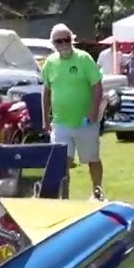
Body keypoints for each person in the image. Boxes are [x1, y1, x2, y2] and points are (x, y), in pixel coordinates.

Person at [41, 23, 105, 200]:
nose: (63, 44)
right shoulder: (50, 63)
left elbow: (97, 86)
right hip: (61, 123)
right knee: (62, 163)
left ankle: (97, 192)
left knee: (92, 159)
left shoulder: (84, 59)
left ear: (72, 40)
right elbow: (46, 91)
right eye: (58, 41)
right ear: (53, 43)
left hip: (86, 121)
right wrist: (45, 119)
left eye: (66, 40)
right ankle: (64, 197)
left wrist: (93, 112)